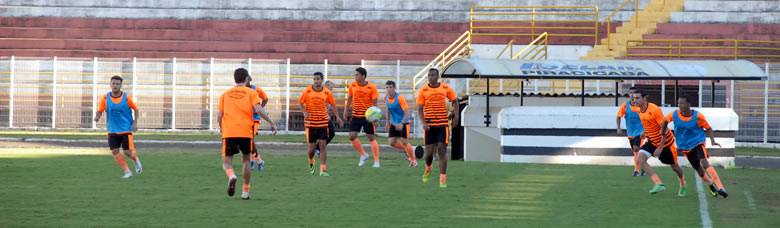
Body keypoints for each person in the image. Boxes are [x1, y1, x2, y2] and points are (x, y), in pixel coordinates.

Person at [218, 68, 277, 200]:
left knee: (227, 163)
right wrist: (271, 122)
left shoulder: (225, 94)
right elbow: (258, 109)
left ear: (235, 79)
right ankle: (245, 192)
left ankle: (232, 175)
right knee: (246, 160)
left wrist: (222, 128)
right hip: (245, 131)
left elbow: (219, 115)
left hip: (229, 131)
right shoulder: (251, 92)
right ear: (246, 79)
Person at [661, 95, 729, 198]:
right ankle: (711, 184)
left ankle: (721, 187)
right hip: (684, 146)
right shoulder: (674, 114)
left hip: (698, 142)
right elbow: (665, 121)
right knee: (700, 171)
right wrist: (662, 131)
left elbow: (708, 128)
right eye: (678, 103)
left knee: (705, 163)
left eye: (682, 103)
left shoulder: (698, 116)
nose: (679, 105)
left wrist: (713, 141)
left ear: (689, 105)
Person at [632, 89, 687, 196]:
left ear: (644, 98)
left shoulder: (655, 110)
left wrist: (661, 147)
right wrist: (645, 131)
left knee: (675, 167)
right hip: (652, 141)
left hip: (666, 143)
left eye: (638, 98)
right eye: (634, 98)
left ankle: (683, 184)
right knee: (640, 159)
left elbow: (665, 130)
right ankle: (659, 184)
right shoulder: (638, 110)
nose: (635, 100)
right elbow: (650, 123)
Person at [94, 75, 142, 179]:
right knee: (115, 151)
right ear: (110, 84)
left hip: (126, 129)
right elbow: (100, 110)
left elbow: (136, 109)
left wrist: (135, 123)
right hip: (112, 130)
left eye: (117, 84)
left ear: (120, 85)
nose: (115, 85)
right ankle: (128, 172)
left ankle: (135, 159)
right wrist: (97, 116)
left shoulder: (126, 97)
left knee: (127, 152)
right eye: (113, 83)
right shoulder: (105, 98)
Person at [417, 68, 459, 188]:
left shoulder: (445, 88)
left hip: (442, 125)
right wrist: (423, 122)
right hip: (430, 126)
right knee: (429, 153)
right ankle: (428, 168)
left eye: (433, 75)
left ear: (438, 76)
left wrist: (456, 116)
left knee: (442, 150)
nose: (430, 77)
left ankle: (442, 179)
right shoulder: (423, 90)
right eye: (429, 75)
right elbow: (420, 108)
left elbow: (455, 101)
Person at [300, 72, 343, 176]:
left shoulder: (327, 92)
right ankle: (311, 162)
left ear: (322, 80)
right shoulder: (308, 90)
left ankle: (322, 169)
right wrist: (304, 112)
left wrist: (337, 116)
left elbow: (333, 104)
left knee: (323, 145)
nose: (316, 81)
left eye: (318, 79)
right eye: (314, 79)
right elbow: (301, 102)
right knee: (312, 148)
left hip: (323, 122)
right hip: (311, 123)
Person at [342, 67, 381, 168]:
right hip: (356, 115)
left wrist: (375, 119)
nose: (355, 77)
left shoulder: (372, 87)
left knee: (371, 137)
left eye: (357, 75)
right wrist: (346, 110)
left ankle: (376, 161)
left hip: (368, 117)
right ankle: (363, 155)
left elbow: (375, 103)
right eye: (355, 75)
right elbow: (350, 98)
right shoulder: (352, 85)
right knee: (351, 136)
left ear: (363, 76)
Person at [384, 80, 417, 167]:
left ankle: (413, 161)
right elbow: (387, 109)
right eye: (387, 87)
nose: (388, 89)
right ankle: (409, 149)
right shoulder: (386, 97)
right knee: (391, 142)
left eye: (390, 87)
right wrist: (387, 122)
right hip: (394, 123)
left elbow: (407, 112)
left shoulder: (400, 98)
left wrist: (402, 123)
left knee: (404, 141)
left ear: (394, 88)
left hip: (404, 122)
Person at [616, 87, 645, 176]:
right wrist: (618, 127)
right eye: (630, 93)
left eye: (634, 93)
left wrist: (645, 130)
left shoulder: (642, 106)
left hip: (640, 132)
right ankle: (643, 167)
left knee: (636, 148)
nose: (632, 95)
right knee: (636, 151)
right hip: (630, 132)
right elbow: (618, 116)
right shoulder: (625, 105)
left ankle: (636, 170)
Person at [247, 76, 269, 172]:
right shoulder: (241, 90)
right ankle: (259, 160)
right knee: (247, 141)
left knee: (250, 139)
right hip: (245, 118)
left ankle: (253, 161)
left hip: (255, 118)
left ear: (249, 79)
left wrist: (259, 108)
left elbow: (265, 98)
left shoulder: (256, 89)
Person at [314, 80, 337, 157]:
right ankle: (317, 149)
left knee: (331, 133)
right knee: (322, 134)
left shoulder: (328, 94)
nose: (332, 89)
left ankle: (317, 148)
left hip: (325, 117)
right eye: (331, 87)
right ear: (326, 86)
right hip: (320, 117)